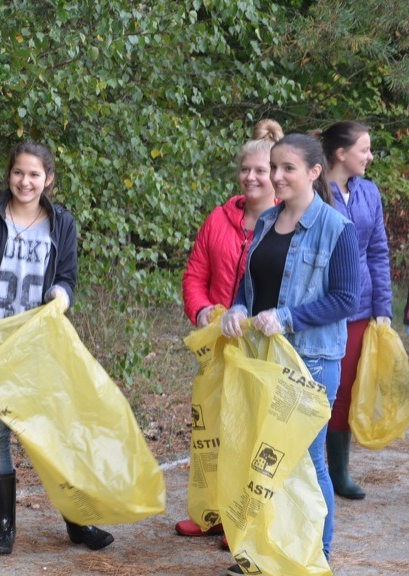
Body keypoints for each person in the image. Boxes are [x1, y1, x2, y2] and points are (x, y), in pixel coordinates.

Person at [0, 140, 114, 556]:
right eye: (19, 172)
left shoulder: (62, 224)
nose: (25, 181)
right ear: (9, 175)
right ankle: (4, 527)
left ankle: (78, 522)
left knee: (53, 432)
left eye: (34, 175)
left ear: (49, 180)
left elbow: (68, 277)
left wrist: (61, 294)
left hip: (38, 344)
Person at [221, 134, 360, 574]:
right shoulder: (265, 221)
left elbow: (345, 299)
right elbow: (251, 284)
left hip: (311, 363)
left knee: (305, 459)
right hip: (264, 359)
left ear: (314, 173)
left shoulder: (337, 228)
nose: (276, 177)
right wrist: (238, 308)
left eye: (288, 169)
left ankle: (316, 555)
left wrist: (288, 317)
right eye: (274, 167)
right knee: (264, 458)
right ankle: (265, 554)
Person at [178, 119, 283, 545]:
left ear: (277, 173)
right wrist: (201, 310)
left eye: (262, 170)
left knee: (257, 436)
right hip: (220, 346)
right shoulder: (219, 220)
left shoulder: (288, 222)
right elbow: (194, 275)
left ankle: (249, 521)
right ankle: (214, 512)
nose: (253, 177)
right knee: (216, 431)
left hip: (266, 347)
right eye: (246, 170)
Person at [317, 121, 393, 500]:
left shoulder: (369, 192)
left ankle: (339, 472)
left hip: (361, 309)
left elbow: (378, 250)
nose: (370, 156)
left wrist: (383, 306)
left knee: (345, 390)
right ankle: (311, 470)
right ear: (341, 153)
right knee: (321, 390)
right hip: (321, 305)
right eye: (364, 149)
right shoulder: (315, 191)